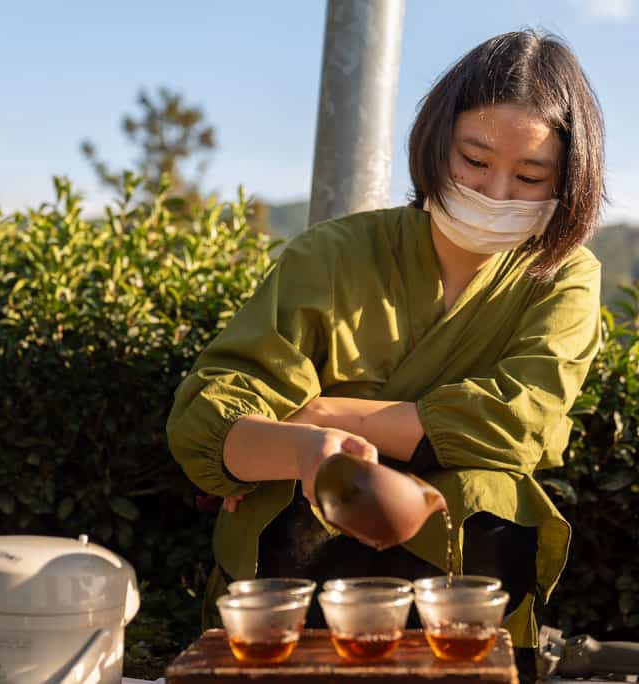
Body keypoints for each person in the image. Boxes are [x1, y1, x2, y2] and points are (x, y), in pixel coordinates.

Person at [166, 28, 605, 663]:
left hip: (464, 602)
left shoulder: (562, 276)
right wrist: (305, 450)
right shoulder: (331, 254)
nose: (495, 193)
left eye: (531, 174)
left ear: (569, 178)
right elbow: (209, 417)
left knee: (490, 489)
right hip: (296, 586)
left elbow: (520, 421)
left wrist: (322, 412)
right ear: (435, 143)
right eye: (475, 161)